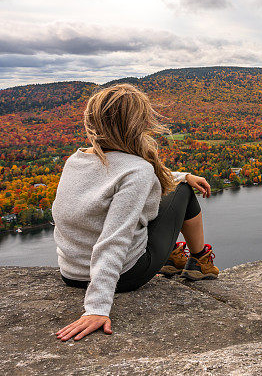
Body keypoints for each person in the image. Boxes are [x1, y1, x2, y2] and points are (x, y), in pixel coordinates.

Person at [52, 83, 218, 342]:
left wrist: (180, 174)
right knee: (184, 191)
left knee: (179, 184)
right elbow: (113, 240)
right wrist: (96, 308)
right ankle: (199, 262)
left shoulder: (76, 160)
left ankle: (175, 259)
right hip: (125, 275)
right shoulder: (137, 169)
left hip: (71, 273)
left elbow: (118, 181)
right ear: (138, 124)